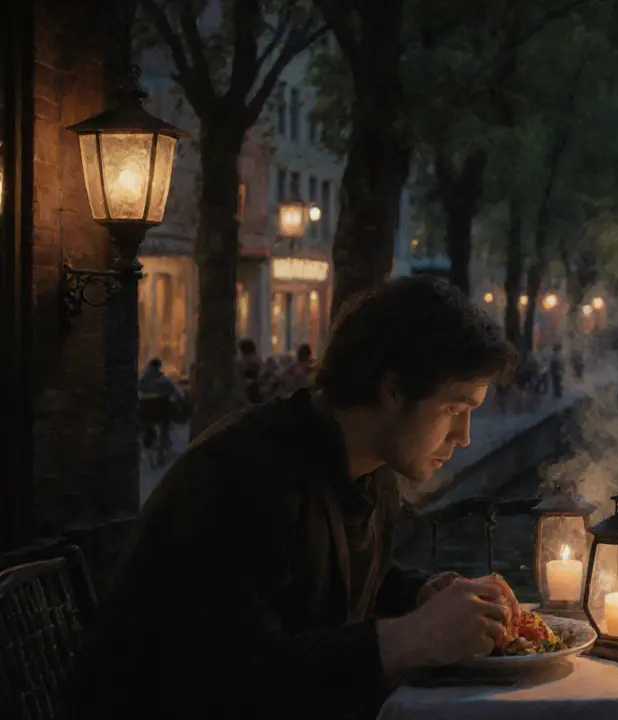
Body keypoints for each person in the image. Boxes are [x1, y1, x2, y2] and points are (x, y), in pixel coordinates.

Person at [73, 276, 521, 720]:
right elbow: (228, 676)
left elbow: (328, 583)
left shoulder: (367, 468)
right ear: (393, 390)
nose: (464, 437)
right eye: (454, 410)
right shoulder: (247, 474)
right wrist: (410, 638)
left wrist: (423, 593)